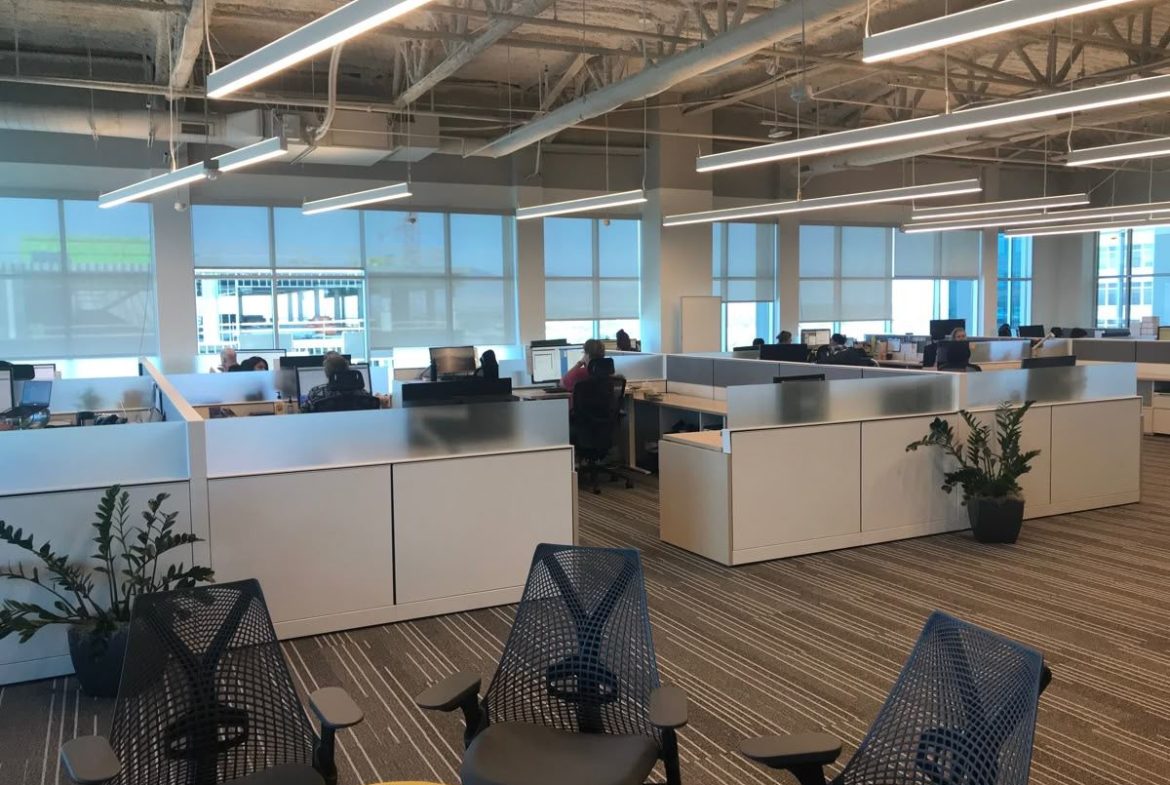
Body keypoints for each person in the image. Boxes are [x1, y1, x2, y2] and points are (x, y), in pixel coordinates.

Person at [302, 352, 377, 412]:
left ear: (327, 373)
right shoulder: (363, 394)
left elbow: (303, 413)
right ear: (348, 369)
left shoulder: (316, 393)